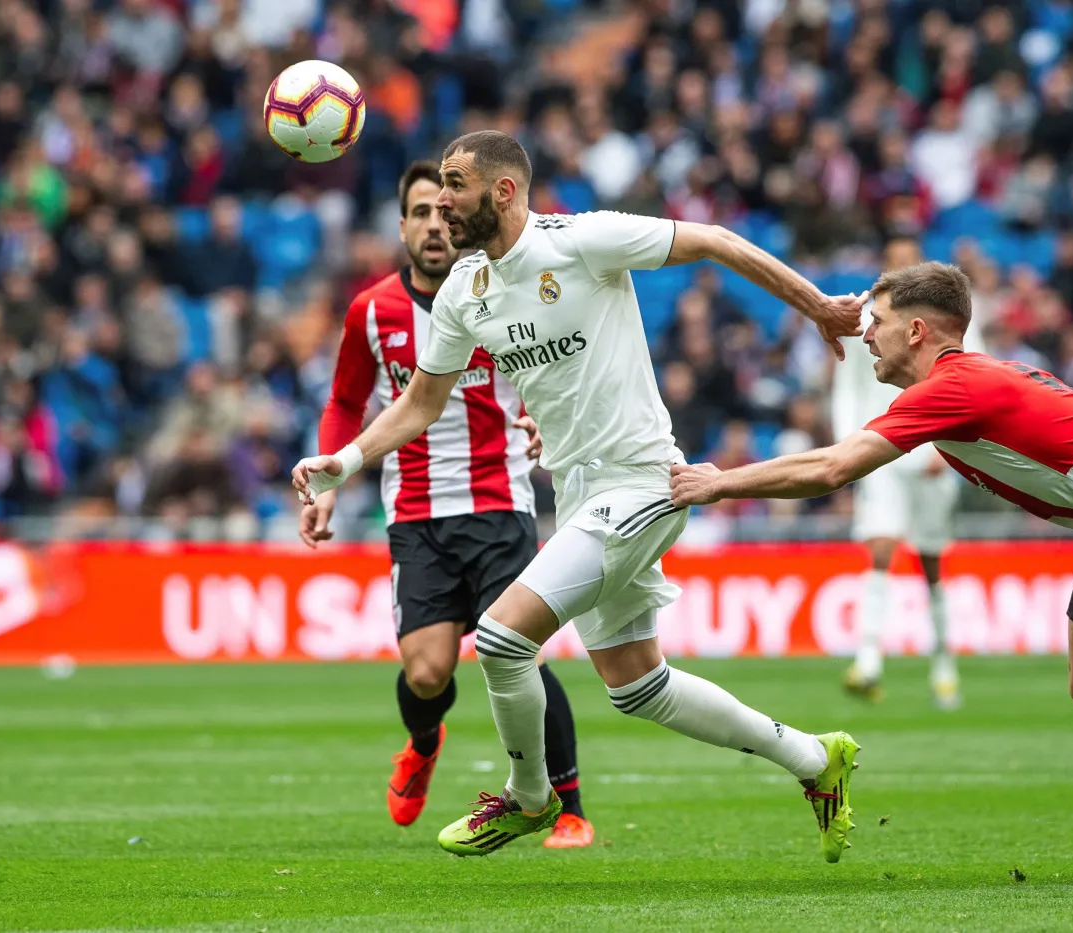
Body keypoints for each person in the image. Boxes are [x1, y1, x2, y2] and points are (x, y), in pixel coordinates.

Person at [291, 131, 866, 862]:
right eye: (437, 185)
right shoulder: (467, 293)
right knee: (637, 685)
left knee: (501, 636)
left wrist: (816, 305)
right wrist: (343, 460)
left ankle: (531, 797)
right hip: (581, 491)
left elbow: (716, 238)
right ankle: (818, 759)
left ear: (503, 191)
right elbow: (417, 404)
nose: (441, 200)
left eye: (457, 184)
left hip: (645, 479)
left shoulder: (584, 241)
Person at [670, 261, 1073, 883]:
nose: (866, 335)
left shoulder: (955, 389)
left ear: (918, 330)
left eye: (877, 321)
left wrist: (719, 482)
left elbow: (832, 469)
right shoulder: (975, 376)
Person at [298, 160, 593, 848]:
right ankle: (424, 740)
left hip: (500, 503)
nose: (434, 225)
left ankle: (571, 805)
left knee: (518, 653)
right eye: (419, 213)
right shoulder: (372, 310)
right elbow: (346, 401)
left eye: (443, 212)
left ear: (460, 220)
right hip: (416, 514)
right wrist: (330, 482)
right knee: (426, 670)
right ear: (401, 225)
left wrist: (547, 417)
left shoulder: (507, 293)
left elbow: (561, 366)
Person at [831, 236, 977, 708]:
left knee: (931, 562)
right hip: (880, 447)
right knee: (880, 547)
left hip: (931, 453)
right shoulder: (866, 321)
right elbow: (846, 390)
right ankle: (869, 659)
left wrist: (952, 445)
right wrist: (848, 450)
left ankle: (943, 664)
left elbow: (971, 375)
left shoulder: (943, 319)